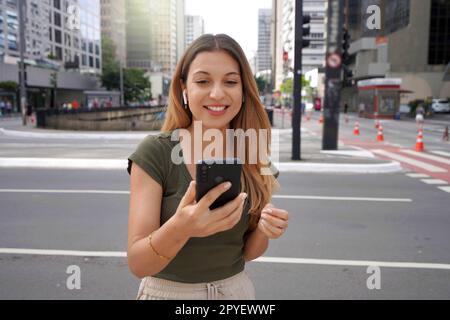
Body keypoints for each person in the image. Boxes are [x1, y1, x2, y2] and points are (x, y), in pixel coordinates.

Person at [126, 34, 289, 300]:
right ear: (184, 89)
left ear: (244, 90)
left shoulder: (255, 154)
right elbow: (138, 264)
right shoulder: (156, 152)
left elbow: (247, 253)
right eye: (203, 81)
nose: (217, 93)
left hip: (236, 292)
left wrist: (264, 230)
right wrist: (181, 228)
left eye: (231, 82)